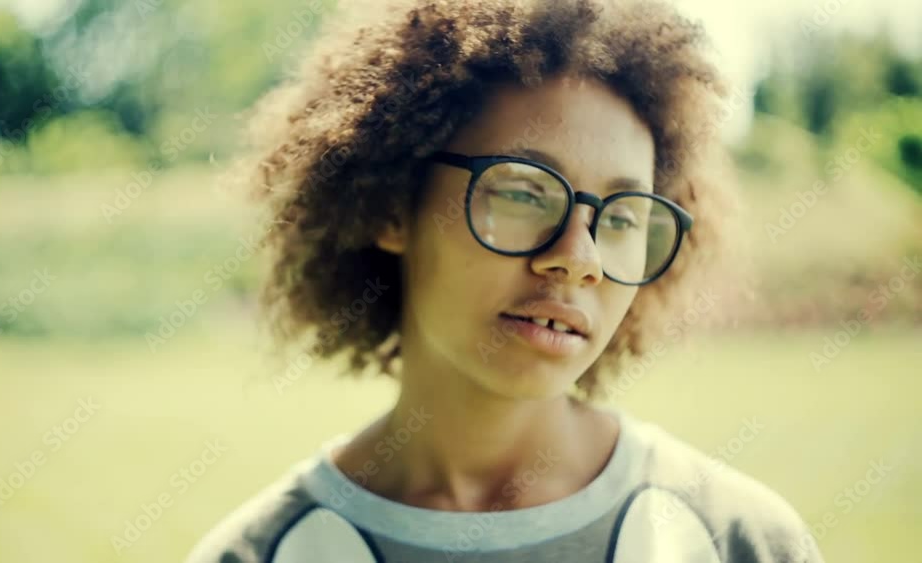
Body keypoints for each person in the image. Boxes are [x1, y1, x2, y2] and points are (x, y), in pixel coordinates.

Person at [187, 0, 824, 561]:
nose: (579, 258)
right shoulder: (260, 553)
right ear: (389, 206)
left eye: (622, 216)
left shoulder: (739, 541)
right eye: (523, 192)